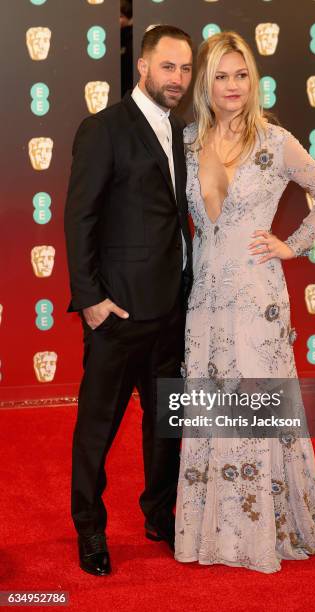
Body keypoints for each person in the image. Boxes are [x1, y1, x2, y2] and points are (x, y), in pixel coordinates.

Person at [174, 31, 315, 574]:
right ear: (206, 82)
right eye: (221, 75)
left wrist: (289, 245)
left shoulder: (276, 141)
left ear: (254, 80)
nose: (231, 86)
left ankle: (258, 529)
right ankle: (213, 531)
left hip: (256, 296)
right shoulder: (187, 143)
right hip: (204, 297)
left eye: (241, 74)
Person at [64, 25, 193, 576]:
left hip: (172, 308)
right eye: (168, 67)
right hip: (116, 314)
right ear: (142, 66)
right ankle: (90, 529)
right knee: (98, 427)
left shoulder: (182, 129)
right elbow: (80, 217)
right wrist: (90, 300)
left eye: (186, 69)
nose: (179, 79)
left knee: (166, 424)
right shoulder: (104, 129)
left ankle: (159, 515)